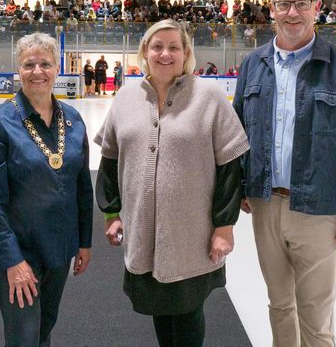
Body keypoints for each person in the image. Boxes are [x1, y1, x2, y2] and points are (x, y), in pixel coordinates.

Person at [233, 0, 336, 347]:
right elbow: (236, 136)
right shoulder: (253, 65)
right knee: (280, 305)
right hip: (265, 205)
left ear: (317, 8)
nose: (292, 13)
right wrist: (241, 187)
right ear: (271, 9)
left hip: (319, 209)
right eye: (284, 4)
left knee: (315, 315)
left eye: (301, 4)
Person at [94, 19, 249, 347]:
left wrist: (224, 227)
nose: (165, 53)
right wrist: (111, 213)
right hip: (143, 230)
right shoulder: (125, 97)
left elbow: (230, 168)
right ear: (145, 52)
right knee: (159, 308)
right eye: (157, 46)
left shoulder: (209, 98)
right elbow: (109, 160)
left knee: (188, 310)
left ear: (186, 53)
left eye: (173, 47)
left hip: (191, 234)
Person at [0, 33, 93, 347]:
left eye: (45, 64)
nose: (37, 71)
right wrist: (12, 260)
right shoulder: (0, 121)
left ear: (58, 68)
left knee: (44, 329)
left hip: (59, 244)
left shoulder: (74, 120)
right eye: (29, 64)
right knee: (23, 336)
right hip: (19, 249)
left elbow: (82, 186)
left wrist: (84, 241)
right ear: (19, 69)